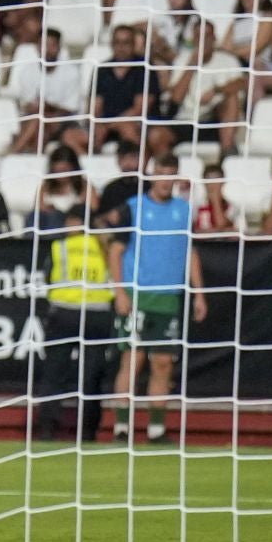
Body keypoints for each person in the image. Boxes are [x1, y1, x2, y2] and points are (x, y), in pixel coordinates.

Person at [105, 154, 206, 445]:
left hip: (169, 297)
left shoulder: (184, 211)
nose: (165, 180)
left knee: (162, 362)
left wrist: (199, 293)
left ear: (175, 177)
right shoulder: (133, 209)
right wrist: (120, 292)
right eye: (161, 173)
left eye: (170, 174)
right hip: (138, 295)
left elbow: (191, 252)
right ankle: (122, 427)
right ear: (152, 177)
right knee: (132, 360)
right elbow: (116, 251)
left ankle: (156, 429)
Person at [34, 171, 119, 441]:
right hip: (97, 317)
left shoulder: (59, 247)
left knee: (54, 376)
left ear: (71, 222)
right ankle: (88, 431)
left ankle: (47, 428)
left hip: (64, 315)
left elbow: (47, 279)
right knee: (92, 378)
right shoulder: (104, 246)